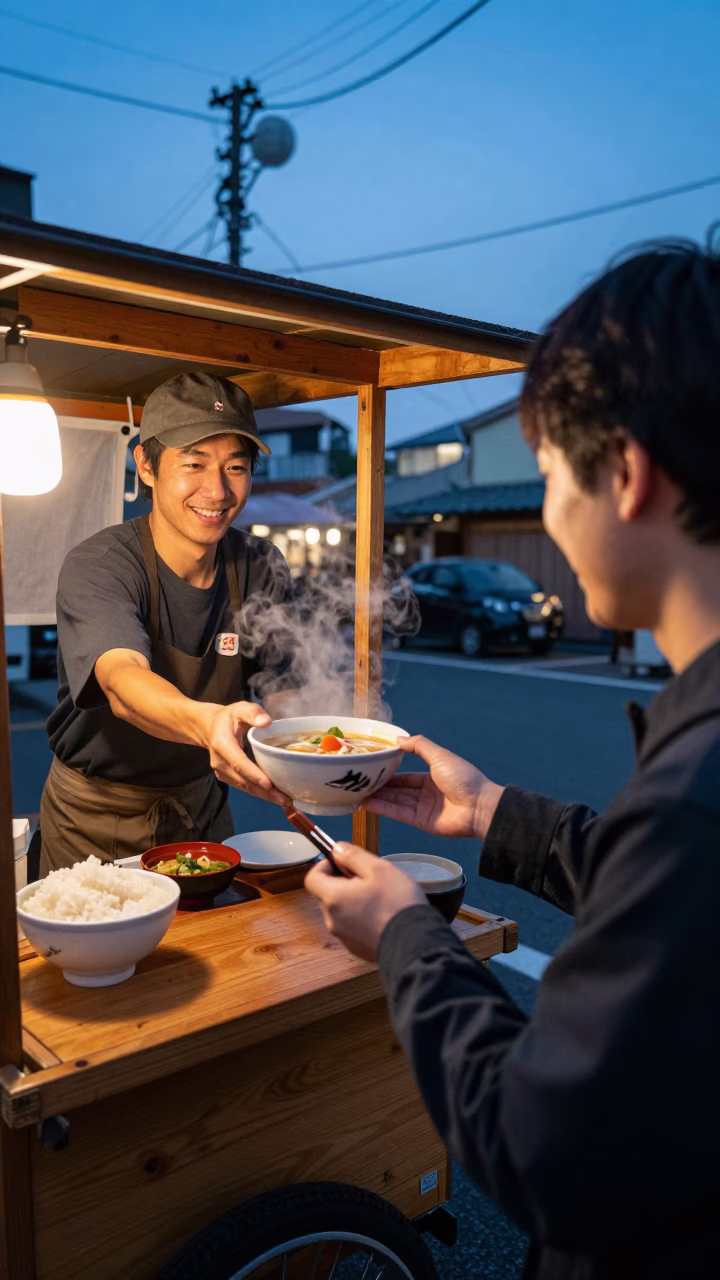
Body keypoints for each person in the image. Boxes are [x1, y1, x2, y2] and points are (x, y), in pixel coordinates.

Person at [306, 239, 720, 1279]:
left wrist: (403, 933)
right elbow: (680, 908)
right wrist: (495, 811)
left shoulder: (696, 788)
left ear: (623, 473)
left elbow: (546, 1145)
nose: (546, 511)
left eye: (545, 474)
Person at [40, 372, 290, 874]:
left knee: (216, 947)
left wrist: (329, 753)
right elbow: (122, 681)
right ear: (146, 465)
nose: (216, 490)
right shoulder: (102, 564)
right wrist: (209, 722)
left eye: (235, 467)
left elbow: (282, 685)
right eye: (194, 464)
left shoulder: (261, 565)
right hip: (93, 816)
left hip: (201, 808)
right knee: (96, 953)